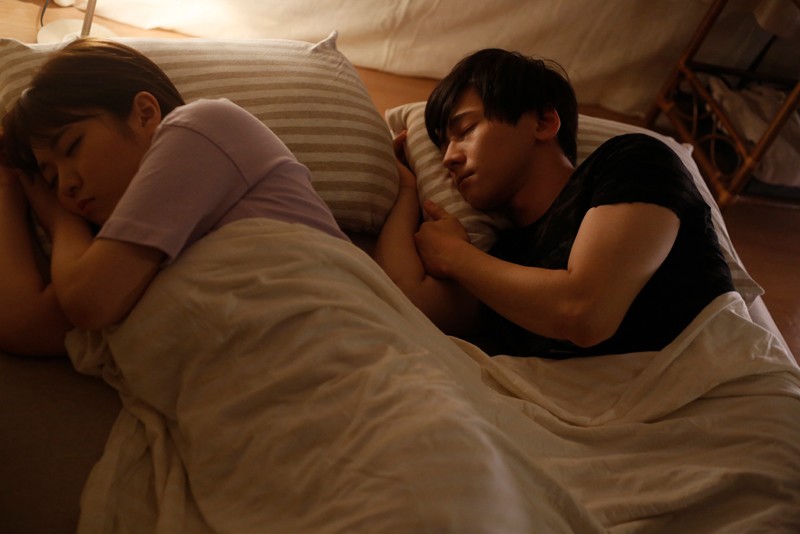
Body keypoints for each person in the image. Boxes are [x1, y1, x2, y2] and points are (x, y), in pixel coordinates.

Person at [374, 48, 734, 358]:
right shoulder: (505, 256)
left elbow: (586, 313)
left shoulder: (632, 161)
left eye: (466, 130)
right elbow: (407, 297)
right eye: (442, 147)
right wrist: (406, 188)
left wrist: (455, 256)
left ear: (544, 122)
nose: (448, 158)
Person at [0, 38, 348, 357]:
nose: (65, 186)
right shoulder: (116, 258)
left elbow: (89, 302)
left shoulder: (202, 127)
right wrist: (8, 188)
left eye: (72, 146)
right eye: (51, 179)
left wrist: (57, 218)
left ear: (144, 113)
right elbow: (25, 325)